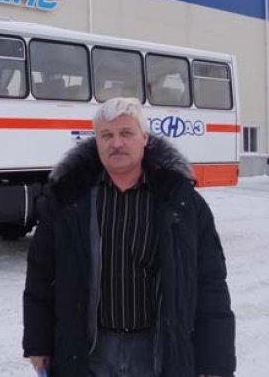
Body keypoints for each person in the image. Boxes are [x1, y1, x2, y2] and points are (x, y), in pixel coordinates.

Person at [23, 97, 235, 377]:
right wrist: (38, 342)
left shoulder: (182, 204)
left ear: (144, 138)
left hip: (157, 353)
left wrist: (214, 361)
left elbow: (211, 283)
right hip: (87, 353)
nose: (116, 143)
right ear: (96, 141)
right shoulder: (67, 201)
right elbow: (40, 275)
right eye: (106, 135)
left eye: (126, 133)